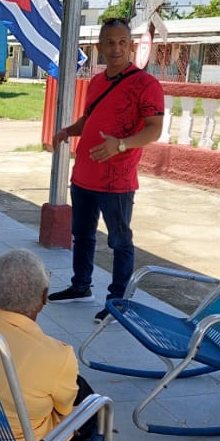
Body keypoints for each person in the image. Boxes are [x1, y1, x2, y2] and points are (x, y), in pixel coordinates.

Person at [0, 249, 116, 441]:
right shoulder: (55, 354)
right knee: (87, 404)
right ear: (45, 297)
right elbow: (68, 413)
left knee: (71, 384)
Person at [50, 18, 165, 322]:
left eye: (122, 42)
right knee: (83, 235)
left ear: (130, 45)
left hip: (117, 181)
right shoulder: (97, 81)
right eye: (110, 42)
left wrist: (122, 145)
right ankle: (80, 285)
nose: (116, 48)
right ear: (100, 47)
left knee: (119, 241)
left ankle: (117, 301)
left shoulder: (146, 85)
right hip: (85, 176)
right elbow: (89, 118)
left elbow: (154, 130)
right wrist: (67, 131)